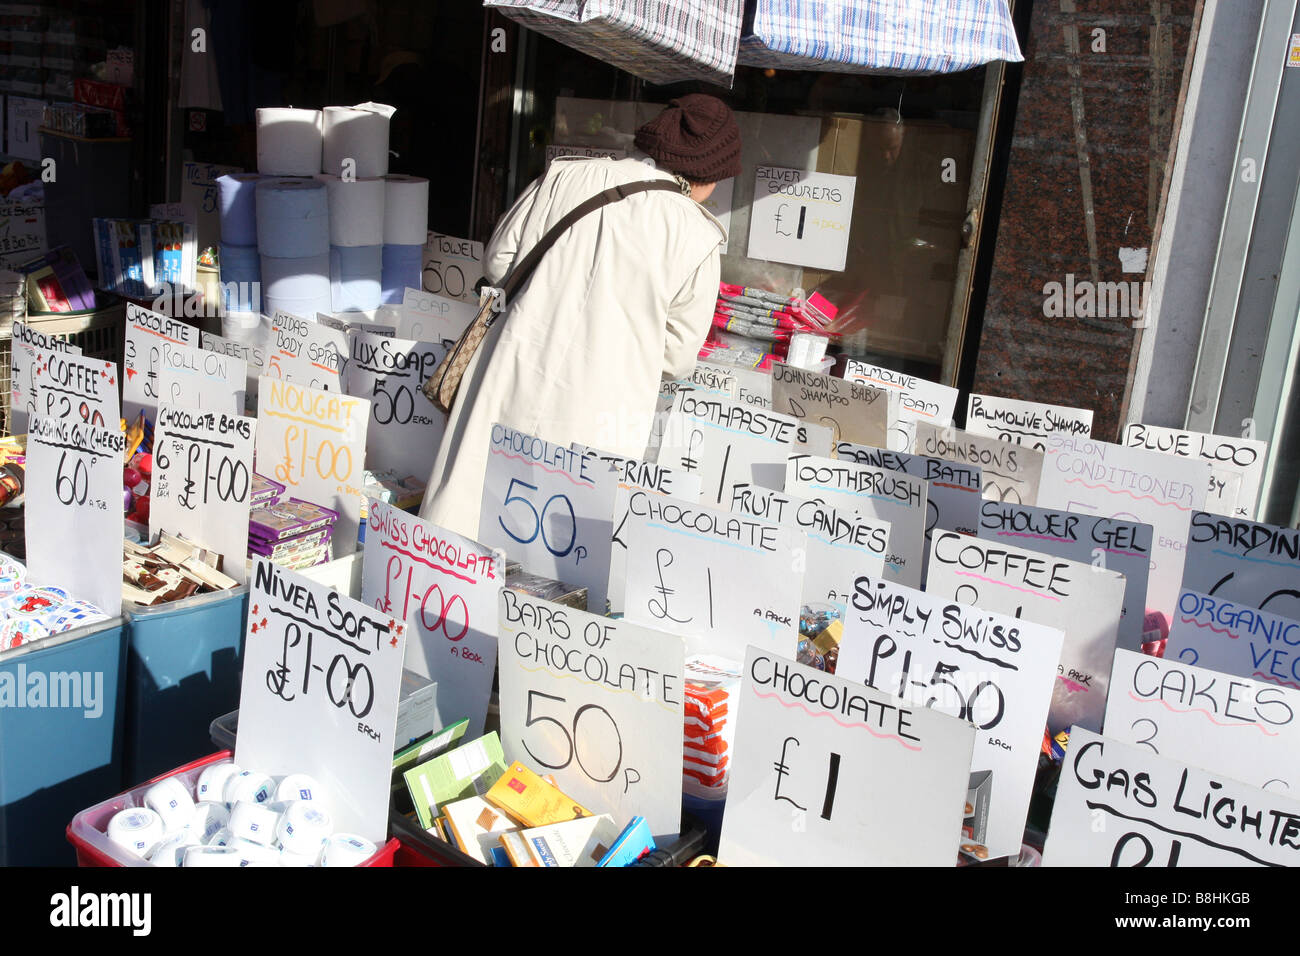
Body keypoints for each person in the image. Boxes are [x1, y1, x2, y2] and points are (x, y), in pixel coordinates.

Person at [419, 94, 740, 541]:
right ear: (705, 173)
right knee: (552, 561)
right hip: (601, 410)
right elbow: (677, 357)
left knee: (462, 526)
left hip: (513, 369)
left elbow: (498, 263)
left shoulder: (565, 176)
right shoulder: (696, 234)